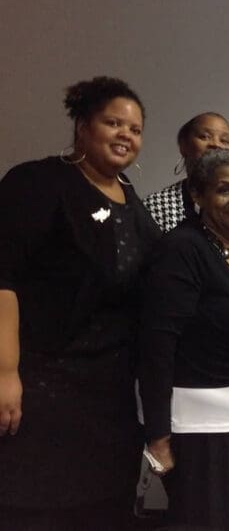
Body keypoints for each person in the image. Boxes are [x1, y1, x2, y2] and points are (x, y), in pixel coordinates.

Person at [0, 76, 160, 529]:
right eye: (114, 122)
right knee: (41, 506)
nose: (126, 135)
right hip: (45, 384)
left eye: (135, 129)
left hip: (109, 392)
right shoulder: (39, 182)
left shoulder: (129, 196)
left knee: (105, 505)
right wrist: (4, 372)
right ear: (82, 126)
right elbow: (3, 276)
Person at [138, 149, 229, 531]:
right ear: (198, 195)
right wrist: (157, 435)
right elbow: (157, 345)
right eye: (225, 190)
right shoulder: (183, 249)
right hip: (203, 430)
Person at [144, 112, 229, 263]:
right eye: (204, 137)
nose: (216, 144)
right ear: (183, 146)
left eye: (224, 140)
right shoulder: (156, 206)